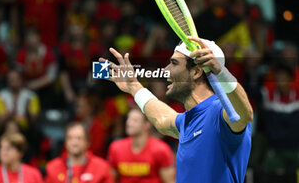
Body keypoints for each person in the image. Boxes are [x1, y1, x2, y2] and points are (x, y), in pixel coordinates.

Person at [99, 36, 253, 183]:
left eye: (174, 63)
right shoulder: (186, 121)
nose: (166, 70)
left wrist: (220, 72)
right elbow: (162, 119)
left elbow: (244, 115)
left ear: (196, 72)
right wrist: (134, 87)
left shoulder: (219, 112)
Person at [107, 108, 175, 183]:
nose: (129, 123)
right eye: (128, 119)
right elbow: (111, 179)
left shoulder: (160, 149)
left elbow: (169, 181)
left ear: (146, 125)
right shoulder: (116, 147)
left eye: (135, 120)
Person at [45, 122, 114, 183]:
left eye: (79, 138)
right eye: (70, 138)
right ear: (65, 143)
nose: (74, 142)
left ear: (88, 142)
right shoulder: (52, 168)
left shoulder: (102, 168)